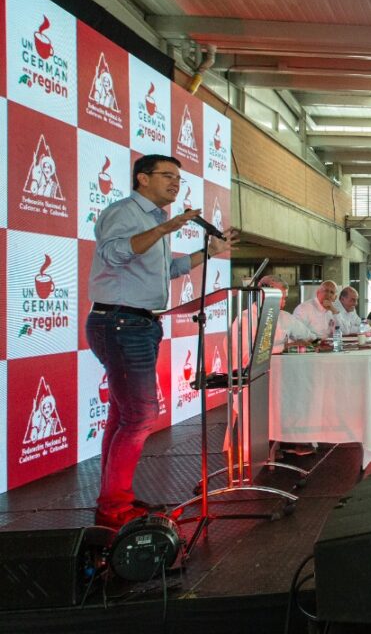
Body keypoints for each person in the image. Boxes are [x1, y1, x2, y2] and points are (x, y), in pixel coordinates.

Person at [86, 153, 239, 528]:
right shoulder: (125, 213)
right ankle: (112, 508)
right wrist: (166, 229)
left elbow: (166, 269)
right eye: (167, 176)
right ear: (142, 178)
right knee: (140, 416)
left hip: (138, 323)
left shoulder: (154, 222)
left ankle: (114, 499)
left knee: (124, 415)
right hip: (119, 321)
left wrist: (208, 254)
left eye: (178, 178)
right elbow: (115, 253)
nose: (175, 183)